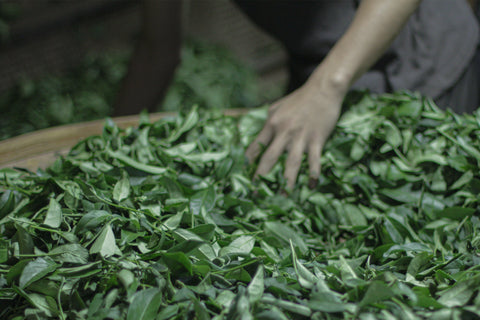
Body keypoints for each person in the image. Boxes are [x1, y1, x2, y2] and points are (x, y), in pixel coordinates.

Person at [114, 0, 480, 190]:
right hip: (320, 67)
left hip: (422, 57)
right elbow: (157, 50)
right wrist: (114, 146)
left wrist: (327, 88)